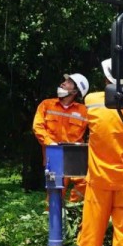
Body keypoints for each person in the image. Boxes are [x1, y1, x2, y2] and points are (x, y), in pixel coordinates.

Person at [77, 59, 123, 246]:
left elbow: (77, 131)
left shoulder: (91, 101)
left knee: (91, 235)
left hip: (99, 181)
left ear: (106, 77)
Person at [32, 73, 89, 203]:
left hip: (75, 159)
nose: (63, 83)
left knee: (84, 186)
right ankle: (54, 221)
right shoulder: (46, 105)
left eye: (68, 82)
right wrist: (49, 142)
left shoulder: (84, 111)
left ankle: (74, 212)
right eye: (64, 81)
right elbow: (37, 126)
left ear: (75, 91)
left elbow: (96, 131)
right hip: (53, 157)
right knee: (54, 195)